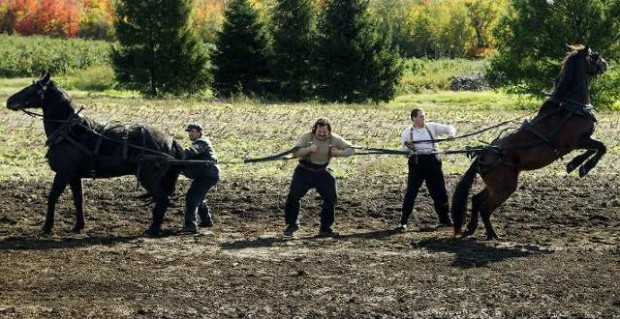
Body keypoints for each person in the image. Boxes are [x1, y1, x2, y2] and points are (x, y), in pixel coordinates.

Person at [283, 117, 355, 238]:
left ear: (329, 131)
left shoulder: (335, 139)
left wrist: (339, 153)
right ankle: (292, 225)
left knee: (331, 198)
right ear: (314, 129)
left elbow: (351, 149)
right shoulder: (306, 137)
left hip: (322, 171)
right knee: (293, 197)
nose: (321, 134)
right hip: (303, 171)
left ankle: (325, 229)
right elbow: (295, 152)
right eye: (319, 132)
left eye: (324, 132)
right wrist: (308, 150)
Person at [396, 108, 456, 232]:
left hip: (433, 161)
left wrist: (451, 134)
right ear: (414, 118)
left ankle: (445, 220)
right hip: (417, 163)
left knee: (440, 192)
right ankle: (403, 222)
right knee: (411, 193)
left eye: (424, 116)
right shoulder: (407, 132)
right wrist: (409, 148)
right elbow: (404, 152)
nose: (424, 118)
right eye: (421, 116)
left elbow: (449, 128)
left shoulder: (432, 126)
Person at [179, 123, 220, 234]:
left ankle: (191, 225)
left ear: (199, 132)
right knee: (199, 197)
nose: (190, 134)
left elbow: (193, 151)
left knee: (192, 197)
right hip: (207, 174)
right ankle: (207, 221)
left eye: (192, 131)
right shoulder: (201, 142)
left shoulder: (202, 142)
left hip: (207, 175)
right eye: (189, 132)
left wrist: (177, 153)